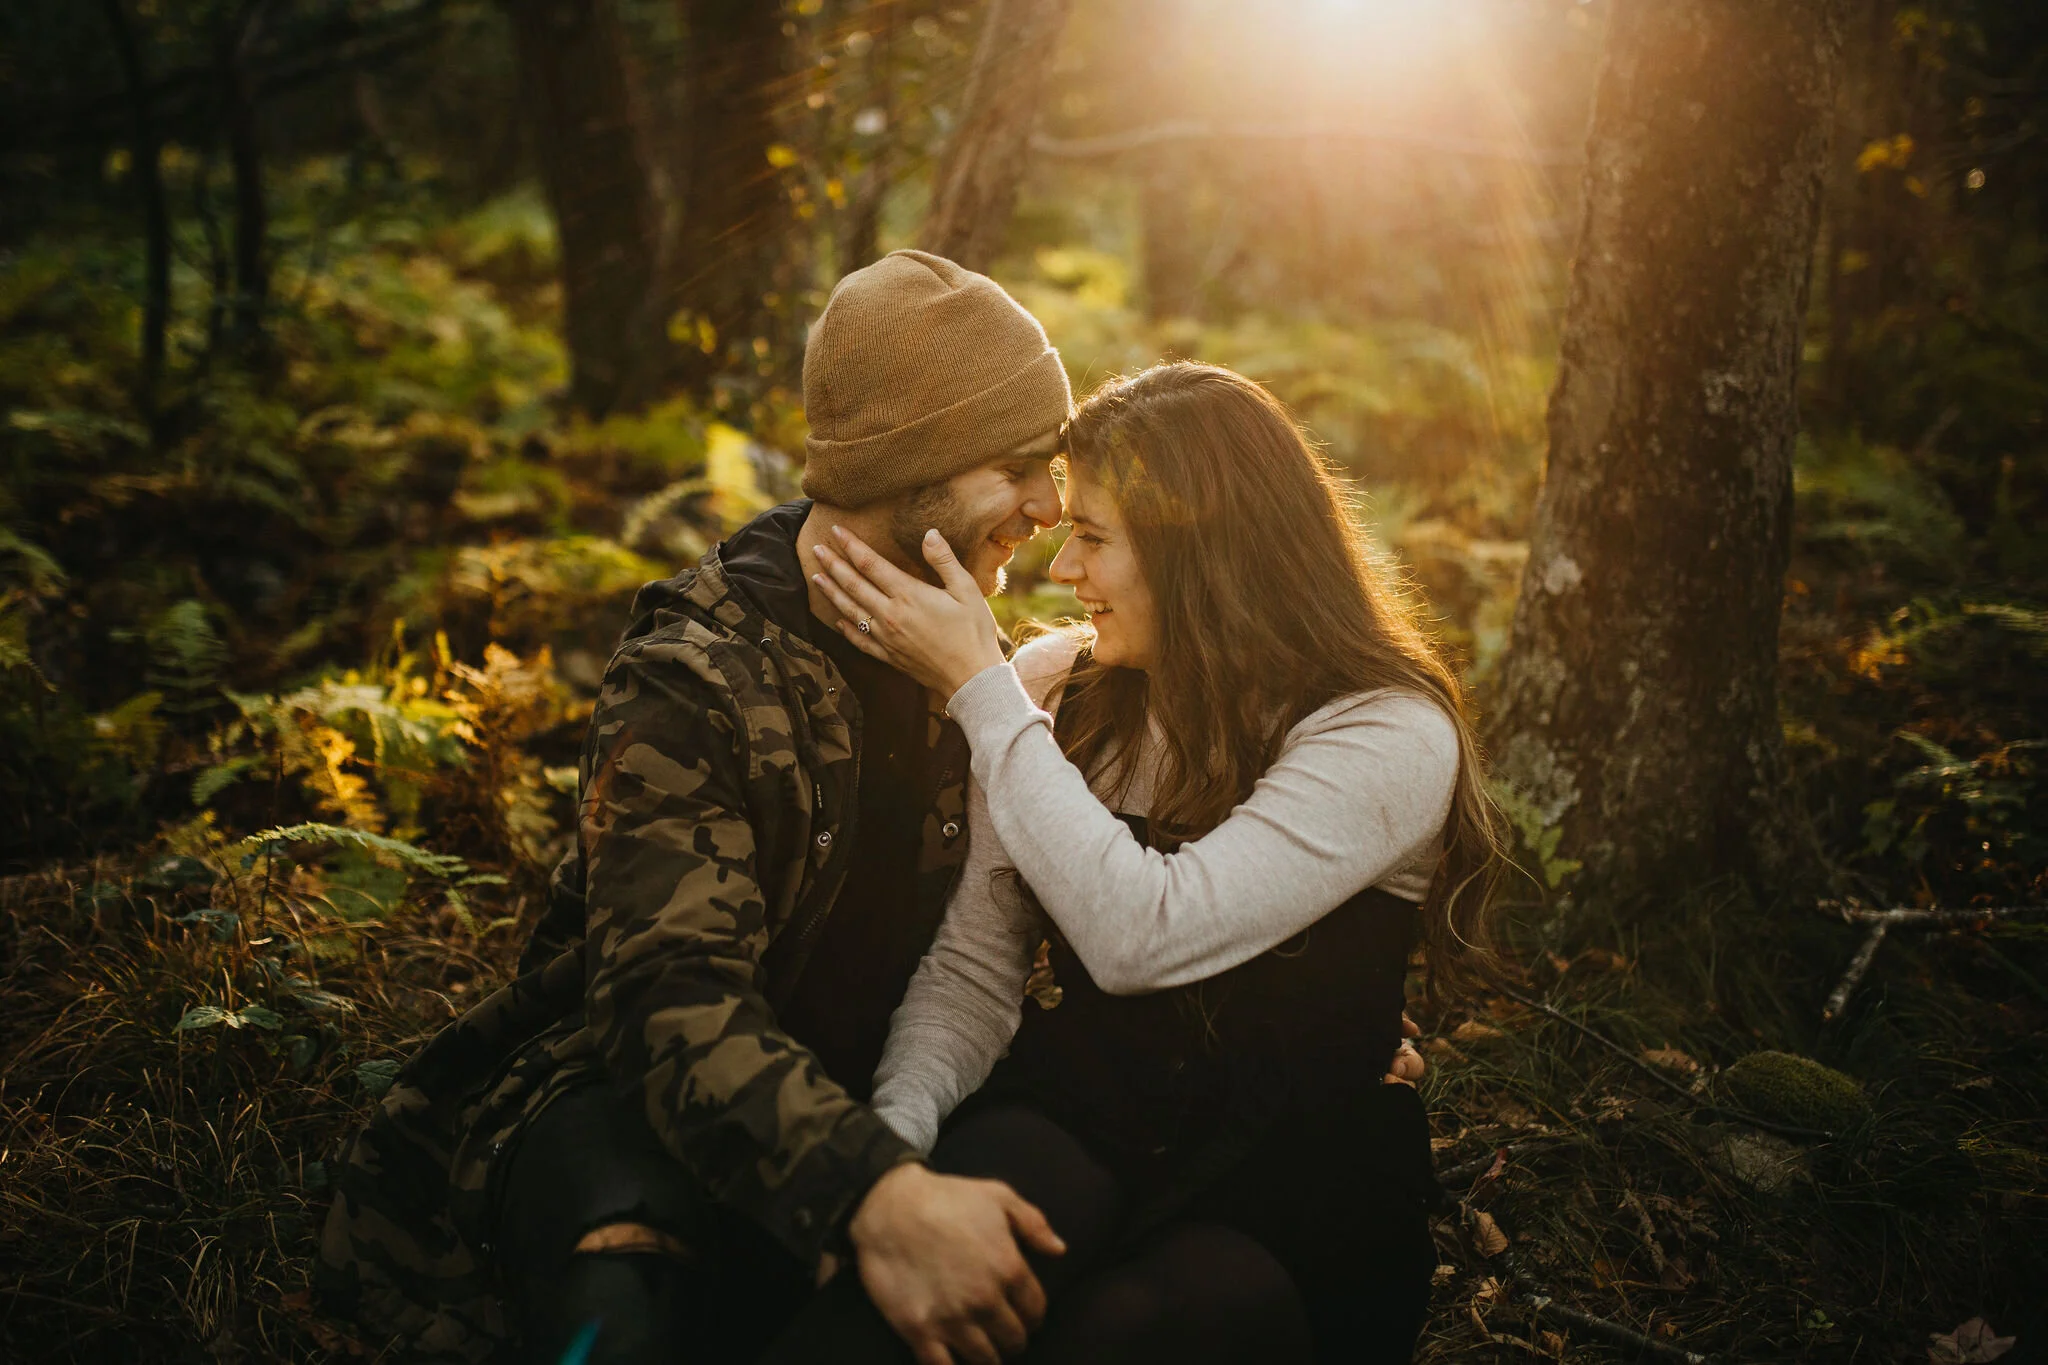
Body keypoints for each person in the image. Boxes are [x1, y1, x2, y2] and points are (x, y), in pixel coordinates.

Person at [316, 252, 1422, 1365]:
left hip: (882, 1099)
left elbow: (1028, 937)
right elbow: (667, 1006)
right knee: (631, 1296)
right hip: (659, 1097)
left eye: (1066, 494)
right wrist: (871, 1191)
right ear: (918, 468)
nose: (1045, 515)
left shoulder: (993, 668)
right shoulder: (698, 672)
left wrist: (1300, 998)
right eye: (1015, 467)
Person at [802, 361, 1505, 1362]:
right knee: (915, 1300)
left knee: (1114, 1334)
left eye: (1091, 537)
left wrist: (975, 687)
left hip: (1289, 1180)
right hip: (1085, 1111)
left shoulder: (1385, 734)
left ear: (1200, 550)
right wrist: (887, 1167)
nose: (1060, 571)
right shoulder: (1053, 690)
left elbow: (1144, 933)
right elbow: (971, 969)